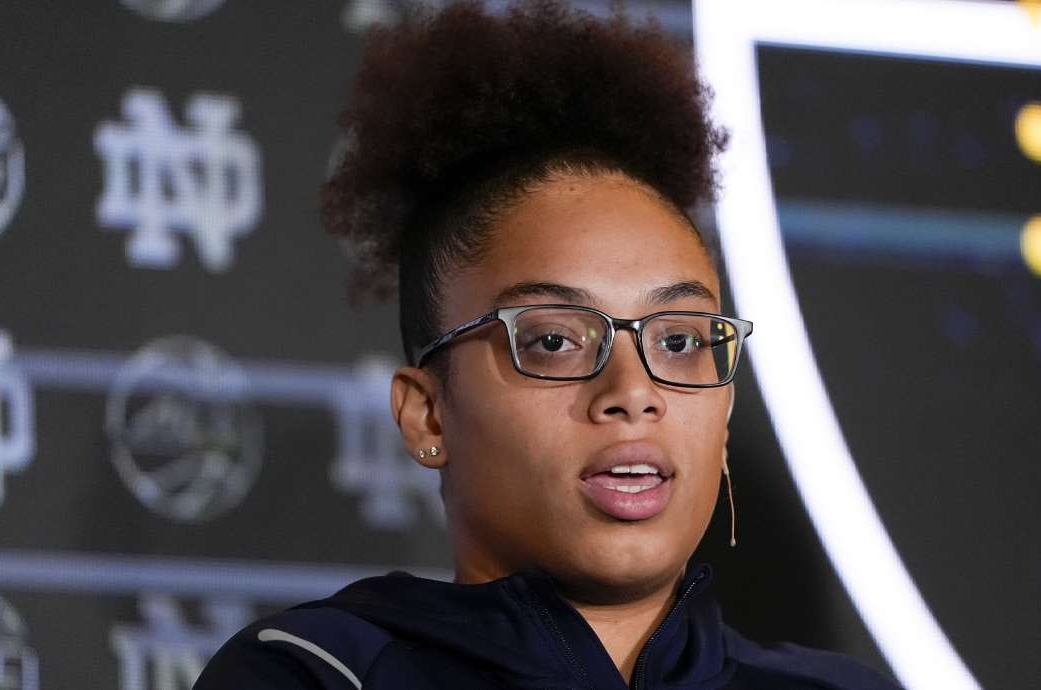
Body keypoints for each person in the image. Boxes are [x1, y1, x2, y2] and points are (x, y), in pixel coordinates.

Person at [195, 1, 901, 688]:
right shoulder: (314, 672)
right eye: (556, 339)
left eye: (681, 339)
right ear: (428, 416)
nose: (633, 394)